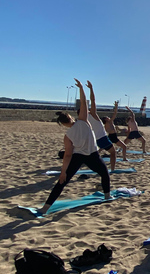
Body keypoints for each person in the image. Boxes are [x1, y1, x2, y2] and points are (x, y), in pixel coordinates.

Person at [40, 79, 111, 215]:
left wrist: (63, 172)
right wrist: (81, 88)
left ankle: (45, 208)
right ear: (71, 118)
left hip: (78, 157)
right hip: (93, 155)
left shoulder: (67, 136)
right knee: (104, 173)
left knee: (62, 183)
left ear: (62, 124)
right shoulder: (83, 121)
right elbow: (84, 103)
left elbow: (67, 155)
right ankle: (107, 196)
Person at [85, 81, 119, 171]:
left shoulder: (84, 119)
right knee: (113, 153)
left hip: (95, 139)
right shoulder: (93, 115)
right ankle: (112, 169)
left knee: (95, 155)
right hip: (102, 138)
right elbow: (93, 100)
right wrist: (91, 88)